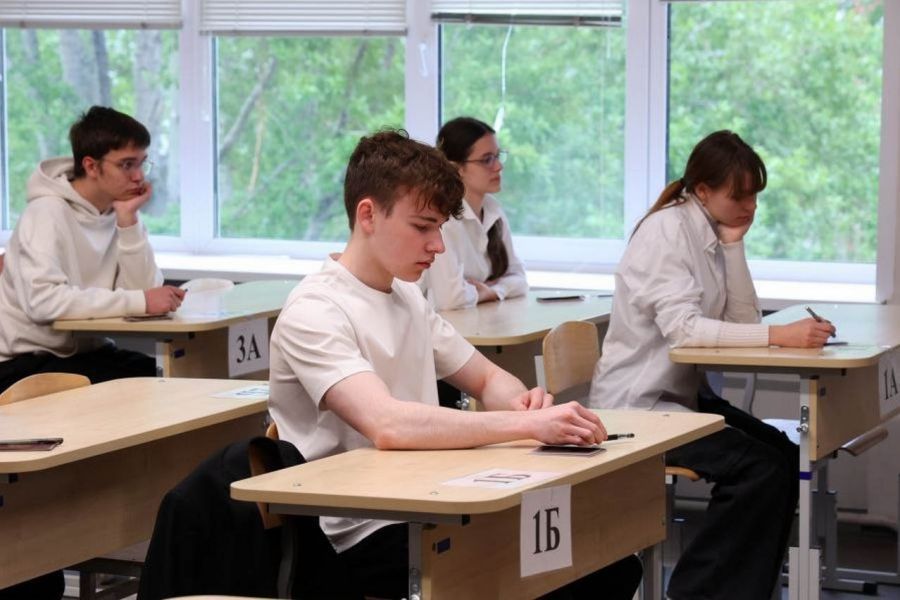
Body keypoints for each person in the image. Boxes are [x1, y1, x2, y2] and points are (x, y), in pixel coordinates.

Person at [269, 129, 641, 600]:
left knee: (608, 561)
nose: (438, 246)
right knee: (583, 575)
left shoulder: (405, 295)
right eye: (422, 227)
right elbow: (387, 425)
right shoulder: (315, 310)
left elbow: (485, 376)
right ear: (368, 215)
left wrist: (524, 403)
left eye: (440, 228)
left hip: (432, 499)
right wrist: (526, 424)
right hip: (361, 530)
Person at [589, 130, 835, 600]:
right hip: (637, 407)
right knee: (760, 470)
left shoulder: (710, 231)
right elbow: (684, 331)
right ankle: (699, 592)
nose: (750, 207)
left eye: (755, 196)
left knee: (783, 456)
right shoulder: (667, 232)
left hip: (679, 396)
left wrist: (734, 247)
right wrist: (780, 336)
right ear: (702, 190)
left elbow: (741, 322)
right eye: (738, 196)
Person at [0, 105, 185, 394]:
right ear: (91, 166)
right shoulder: (45, 213)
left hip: (87, 355)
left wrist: (129, 220)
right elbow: (44, 303)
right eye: (127, 165)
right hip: (24, 364)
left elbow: (146, 295)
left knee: (176, 379)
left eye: (142, 163)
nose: (139, 176)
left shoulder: (117, 212)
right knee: (150, 392)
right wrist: (141, 301)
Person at [419, 116, 527, 311]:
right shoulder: (442, 218)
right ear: (456, 168)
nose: (498, 166)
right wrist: (487, 291)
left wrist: (493, 291)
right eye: (487, 159)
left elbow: (520, 280)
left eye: (498, 156)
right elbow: (450, 298)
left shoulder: (493, 209)